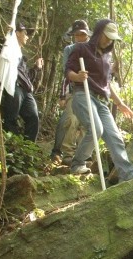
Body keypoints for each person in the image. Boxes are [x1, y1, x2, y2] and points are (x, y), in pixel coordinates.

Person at [65, 19, 133, 179]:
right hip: (83, 94)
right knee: (96, 128)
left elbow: (107, 84)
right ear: (98, 33)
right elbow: (68, 70)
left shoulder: (107, 57)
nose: (109, 40)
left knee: (115, 137)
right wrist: (77, 76)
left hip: (102, 101)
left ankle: (129, 176)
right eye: (107, 36)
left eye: (112, 38)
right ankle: (77, 164)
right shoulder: (81, 48)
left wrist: (119, 103)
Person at [50, 20, 91, 165]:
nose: (80, 37)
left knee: (87, 124)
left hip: (91, 92)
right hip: (74, 90)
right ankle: (62, 152)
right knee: (69, 120)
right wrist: (63, 95)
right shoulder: (69, 49)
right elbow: (66, 72)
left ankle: (84, 155)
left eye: (82, 34)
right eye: (77, 34)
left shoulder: (93, 49)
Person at [0, 21, 43, 142]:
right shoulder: (8, 47)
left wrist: (36, 67)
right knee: (11, 117)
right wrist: (7, 34)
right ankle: (10, 148)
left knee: (33, 117)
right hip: (14, 85)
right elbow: (1, 48)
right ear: (17, 33)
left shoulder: (20, 56)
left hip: (25, 90)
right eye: (25, 33)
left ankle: (28, 150)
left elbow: (27, 77)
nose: (27, 37)